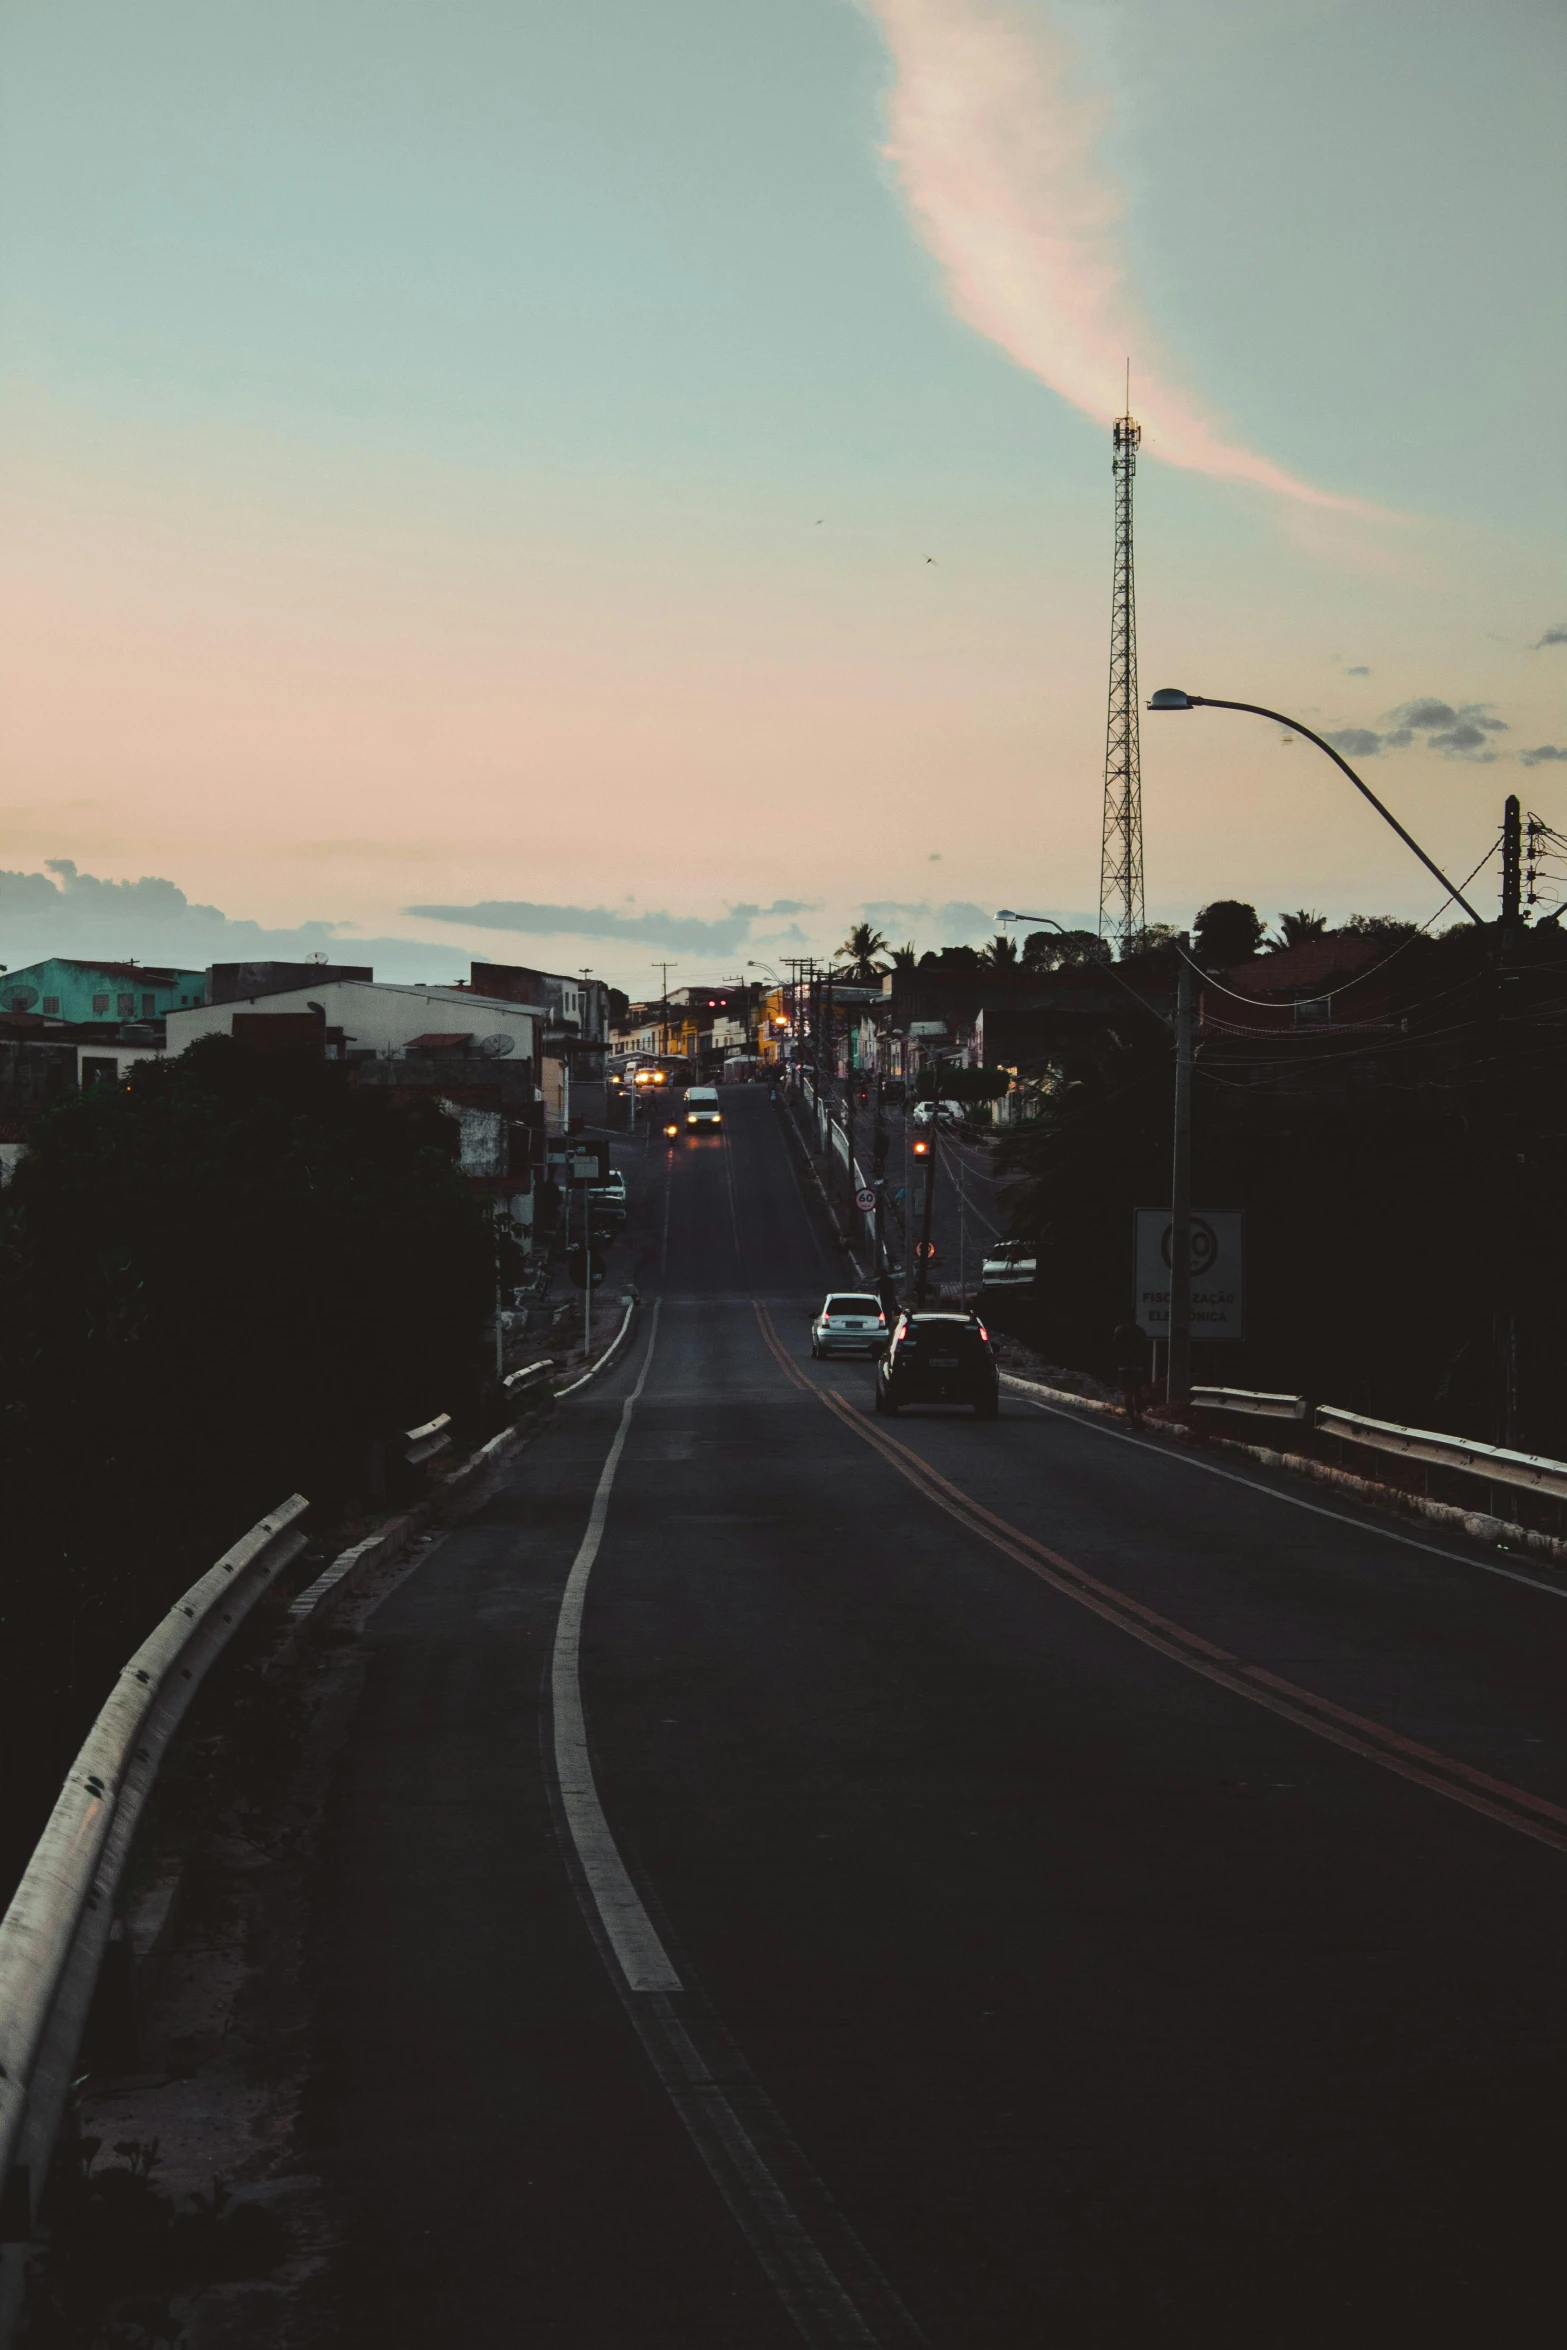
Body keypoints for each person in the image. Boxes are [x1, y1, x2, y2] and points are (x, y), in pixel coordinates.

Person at [1111, 1319, 1147, 1426]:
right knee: (1137, 1391)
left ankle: (1132, 1419)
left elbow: (1114, 1346)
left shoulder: (1119, 1330)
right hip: (1137, 1365)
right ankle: (1139, 1414)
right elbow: (1145, 1347)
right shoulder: (1140, 1330)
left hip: (1124, 1365)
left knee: (1128, 1392)